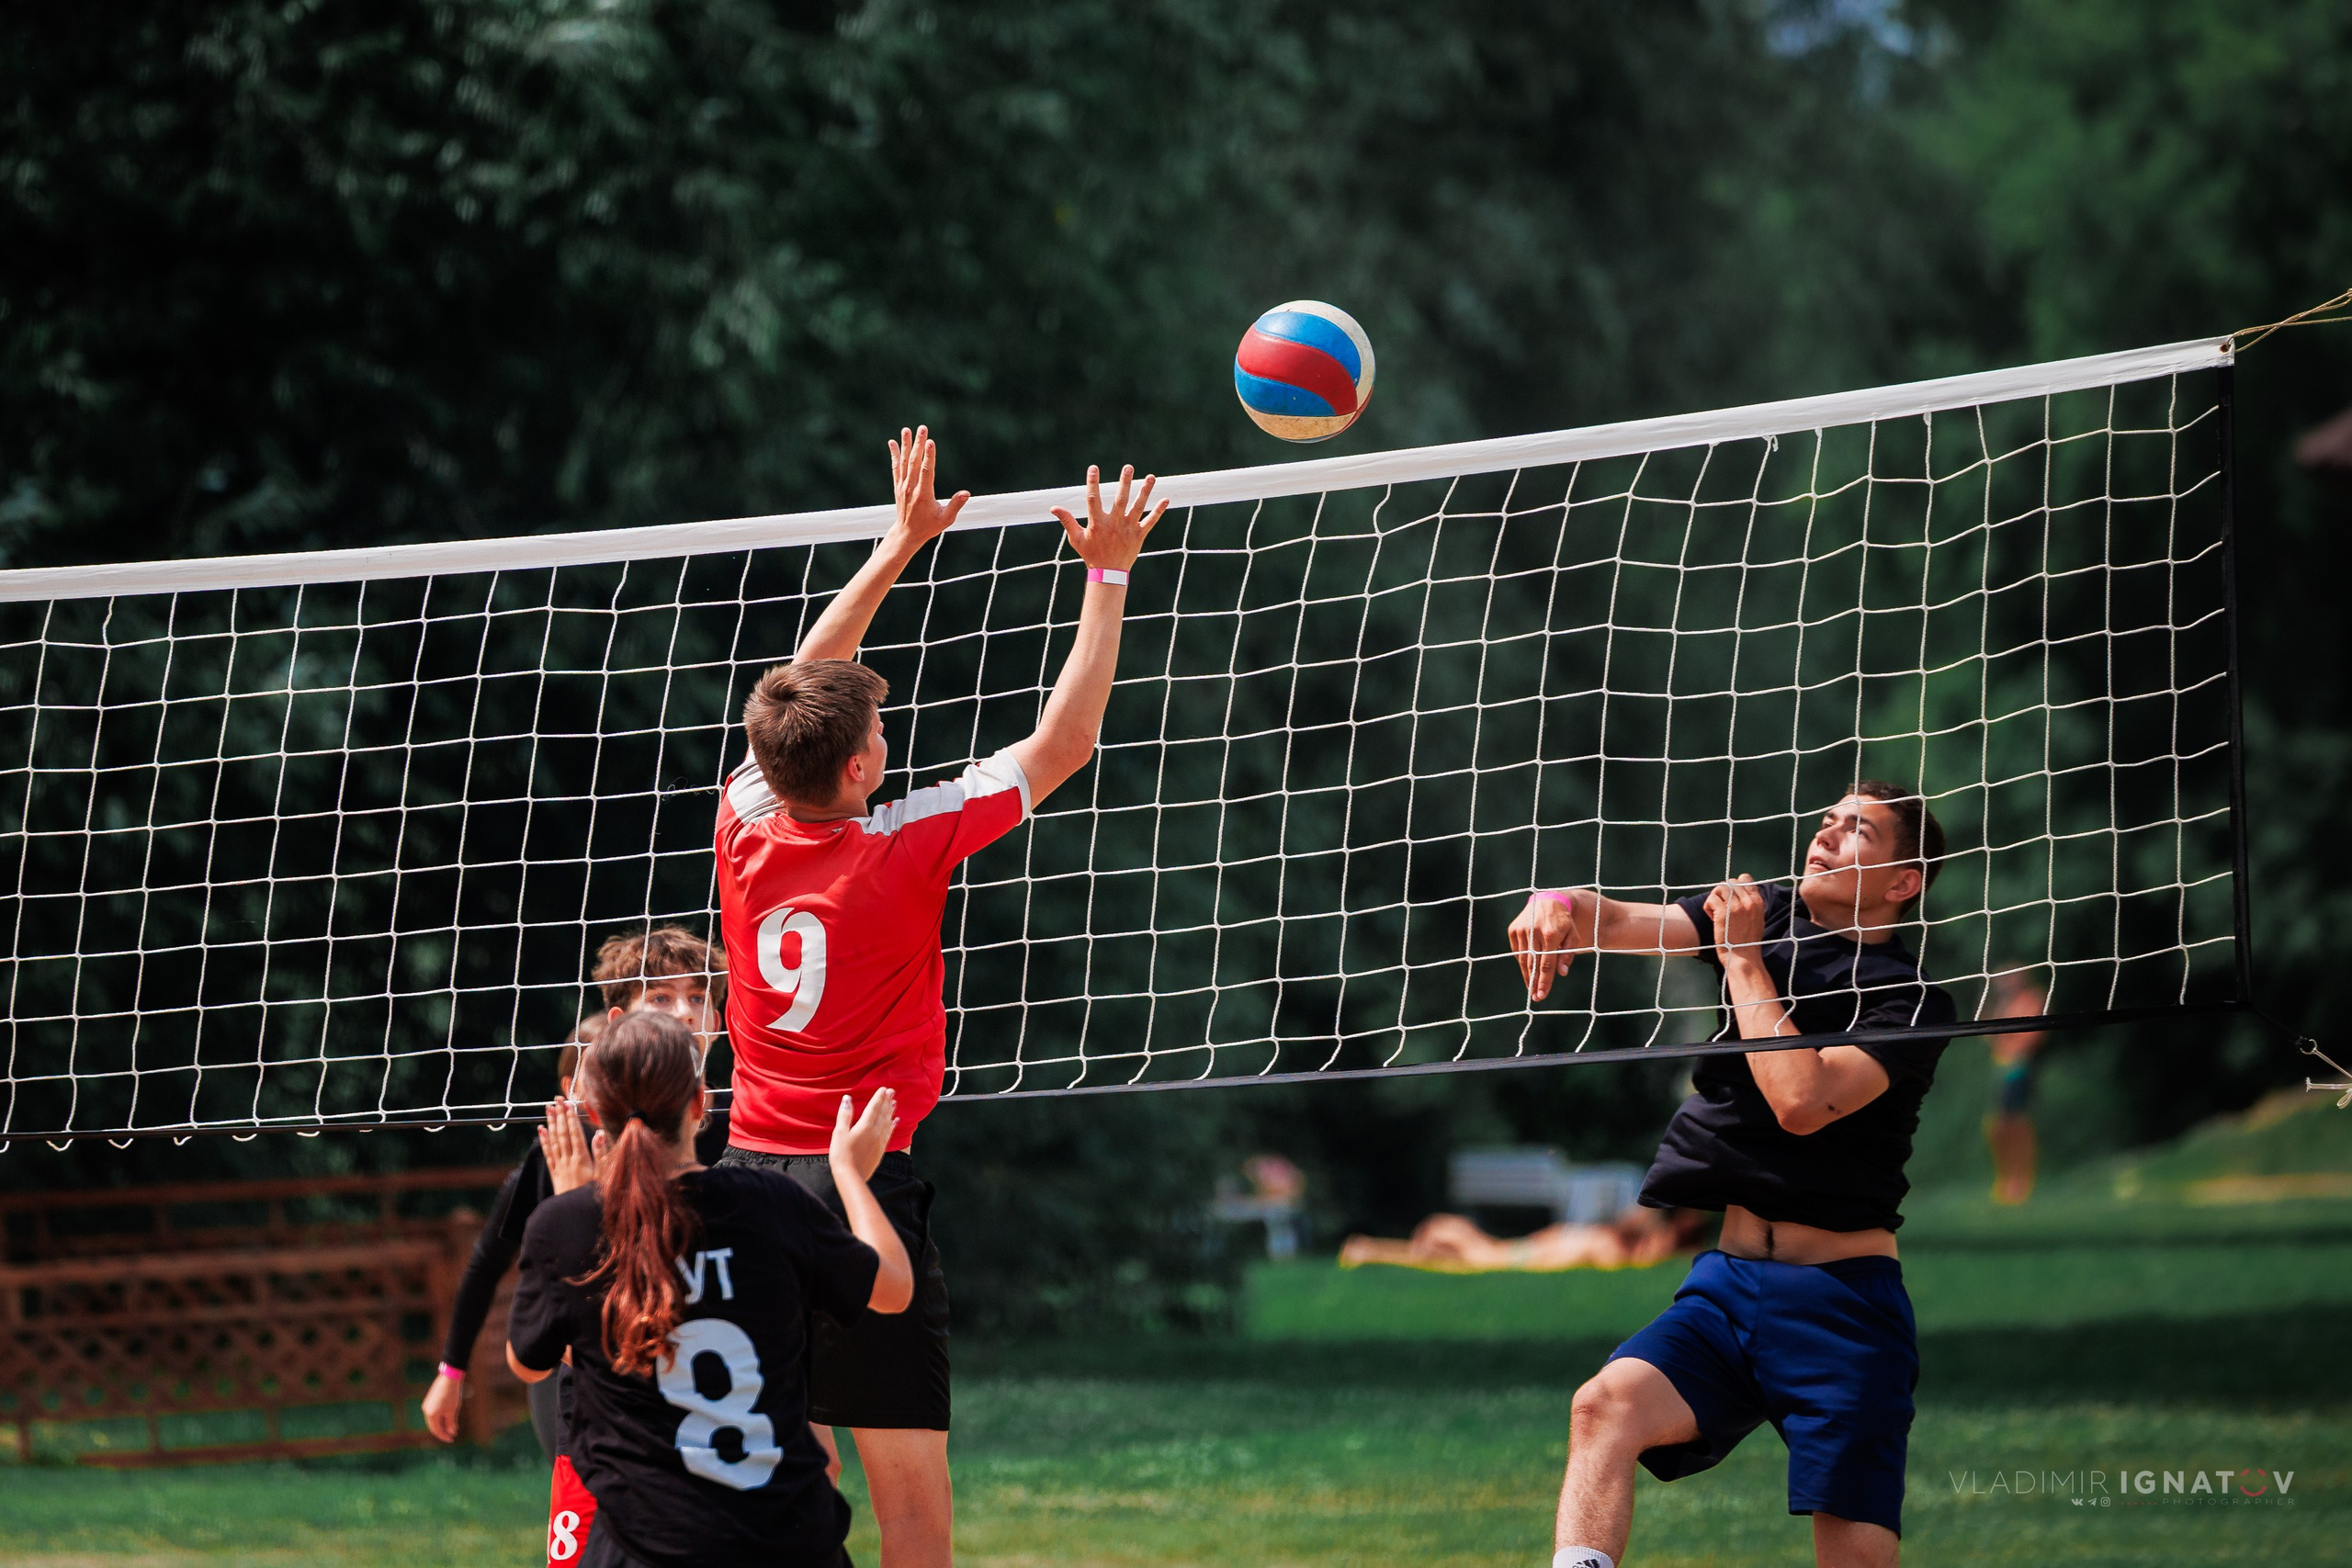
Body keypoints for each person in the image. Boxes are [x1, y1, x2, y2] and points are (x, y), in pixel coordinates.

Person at [713, 427, 1165, 1568]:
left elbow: (796, 692)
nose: (884, 740)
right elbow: (1063, 744)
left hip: (748, 1175)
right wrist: (1106, 573)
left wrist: (897, 544)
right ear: (861, 768)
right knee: (906, 1476)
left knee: (779, 1481)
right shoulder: (901, 847)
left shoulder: (744, 828)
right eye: (876, 735)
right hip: (855, 1175)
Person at [1506, 782, 1954, 1568]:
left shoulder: (1911, 1002)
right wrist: (1556, 901)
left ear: (1902, 881)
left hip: (1843, 1306)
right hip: (1728, 1286)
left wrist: (1743, 959)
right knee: (1604, 1407)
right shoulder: (1767, 911)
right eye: (1825, 822)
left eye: (1857, 832)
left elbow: (1801, 1102)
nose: (1824, 836)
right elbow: (1612, 918)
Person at [506, 1009, 914, 1568]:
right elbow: (894, 1290)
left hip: (648, 1550)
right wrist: (848, 1173)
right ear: (701, 1103)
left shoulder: (567, 1226)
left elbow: (528, 1364)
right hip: (790, 1544)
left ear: (595, 1112)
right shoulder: (770, 1203)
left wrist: (576, 1205)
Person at [421, 924, 733, 1452]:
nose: (683, 1013)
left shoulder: (740, 1126)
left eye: (698, 997)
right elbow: (495, 1266)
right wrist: (451, 1370)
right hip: (592, 1378)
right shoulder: (573, 1142)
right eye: (661, 997)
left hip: (708, 1378)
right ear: (620, 1020)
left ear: (720, 1021)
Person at [1339, 1207, 1713, 1272]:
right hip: (1514, 1250)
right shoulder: (1613, 1239)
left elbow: (1652, 1252)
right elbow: (1637, 1221)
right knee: (1441, 1233)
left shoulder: (1611, 1249)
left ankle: (1369, 1251)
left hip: (1512, 1256)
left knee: (1442, 1236)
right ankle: (1369, 1249)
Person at [1982, 972, 2048, 1205]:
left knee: (2017, 1123)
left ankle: (2021, 1182)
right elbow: (1988, 1033)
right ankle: (2006, 1180)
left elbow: (2030, 1037)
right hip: (2001, 1068)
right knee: (1997, 1126)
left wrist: (2008, 1039)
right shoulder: (2004, 1002)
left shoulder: (2032, 997)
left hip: (2019, 1069)